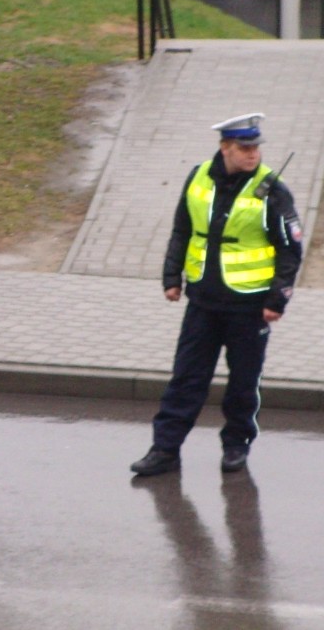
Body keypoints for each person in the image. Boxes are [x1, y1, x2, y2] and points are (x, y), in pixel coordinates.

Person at [130, 113, 303, 477]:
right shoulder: (197, 178)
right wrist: (171, 277)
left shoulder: (272, 188)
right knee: (186, 379)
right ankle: (165, 449)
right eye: (244, 148)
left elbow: (290, 249)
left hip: (249, 306)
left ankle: (236, 446)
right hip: (203, 303)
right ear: (225, 147)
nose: (252, 154)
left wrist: (277, 300)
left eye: (256, 147)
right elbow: (182, 230)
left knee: (243, 383)